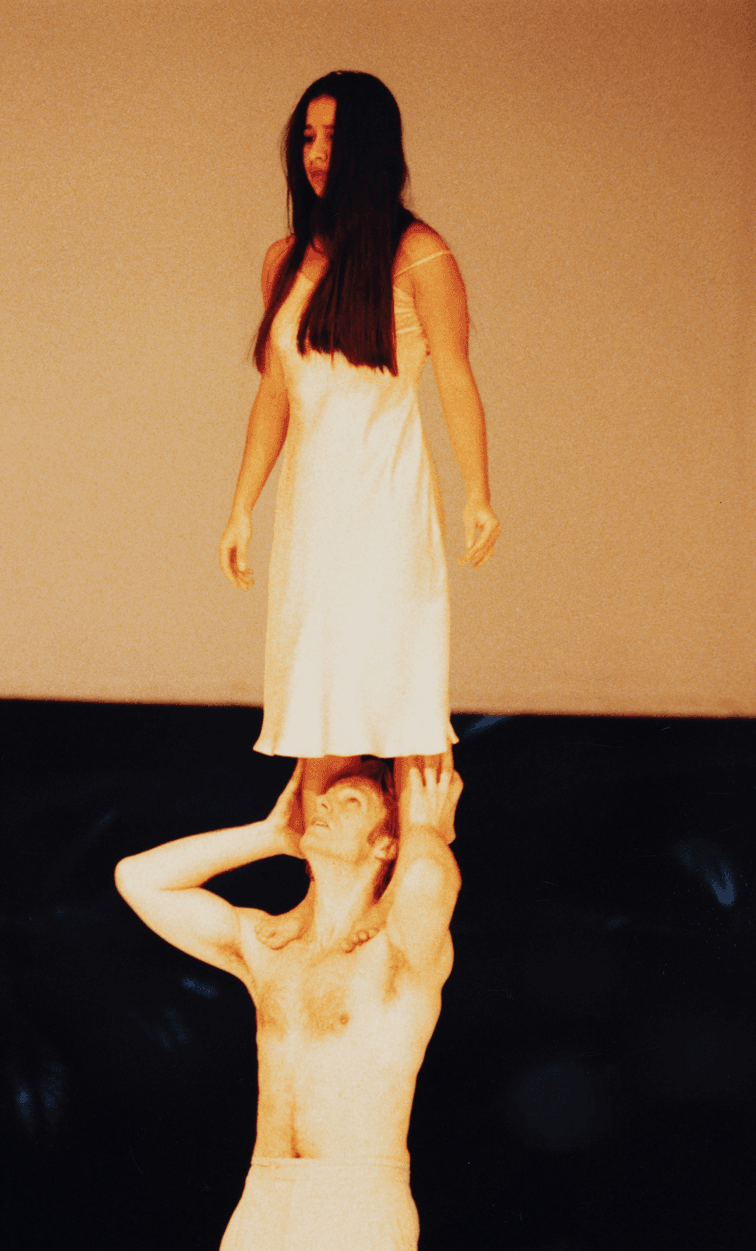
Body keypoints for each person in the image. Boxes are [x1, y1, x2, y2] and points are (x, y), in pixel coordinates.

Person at [115, 756, 462, 1251]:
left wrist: (429, 825)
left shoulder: (401, 952)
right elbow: (139, 879)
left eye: (351, 800)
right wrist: (271, 832)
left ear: (385, 844)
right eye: (322, 797)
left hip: (353, 1205)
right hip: (264, 1205)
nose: (325, 807)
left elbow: (432, 885)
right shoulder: (269, 947)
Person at [219, 71, 500, 823]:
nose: (315, 153)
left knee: (396, 693)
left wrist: (478, 492)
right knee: (321, 703)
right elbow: (276, 392)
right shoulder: (284, 259)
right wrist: (242, 507)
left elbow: (457, 382)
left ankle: (410, 892)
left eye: (334, 137)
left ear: (371, 147)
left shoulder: (418, 254)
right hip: (312, 517)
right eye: (307, 137)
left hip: (386, 508)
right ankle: (329, 910)